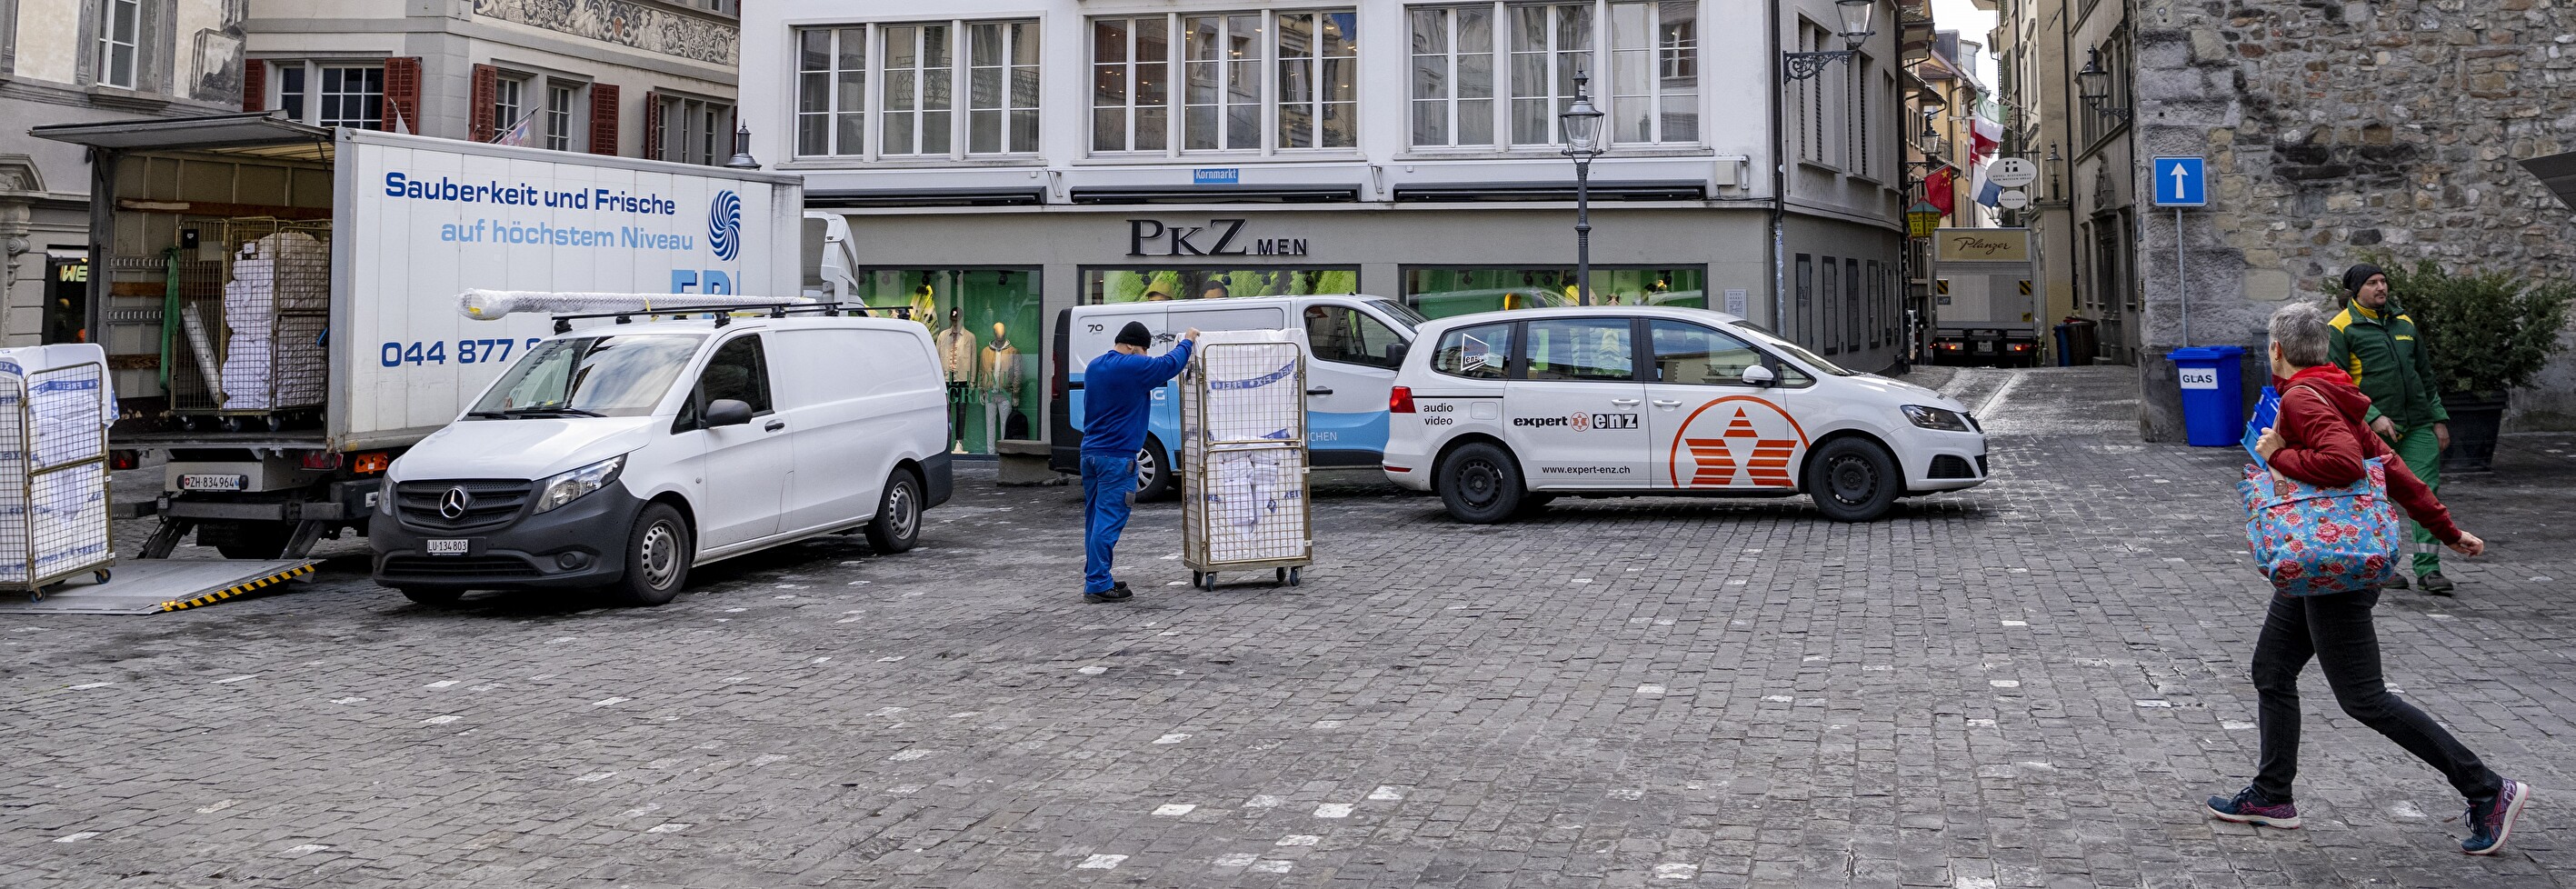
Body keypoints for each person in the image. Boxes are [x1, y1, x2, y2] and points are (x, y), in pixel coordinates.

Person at [2206, 302, 2529, 855]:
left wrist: (2280, 457)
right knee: (2273, 669)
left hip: (2333, 567)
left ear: (2276, 350)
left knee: (2364, 698)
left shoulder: (2304, 400)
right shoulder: (2331, 392)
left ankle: (2488, 791)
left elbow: (2348, 466)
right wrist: (2445, 530)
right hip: (2315, 564)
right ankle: (2271, 795)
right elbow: (2390, 467)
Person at [2326, 264, 2456, 594]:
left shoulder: (2405, 323)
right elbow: (2336, 383)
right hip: (2372, 431)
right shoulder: (2341, 328)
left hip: (2417, 425)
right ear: (2356, 291)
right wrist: (2372, 416)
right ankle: (2382, 567)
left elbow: (2424, 376)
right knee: (2376, 499)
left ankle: (2429, 569)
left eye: (2384, 281)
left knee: (2425, 492)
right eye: (2372, 283)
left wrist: (2438, 418)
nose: (2381, 288)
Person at [1077, 321, 1199, 603]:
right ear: (1132, 346)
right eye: (1144, 350)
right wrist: (1188, 340)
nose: (1146, 355)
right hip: (1117, 458)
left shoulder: (1095, 366)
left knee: (1095, 519)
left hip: (1091, 454)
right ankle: (1097, 584)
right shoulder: (1131, 366)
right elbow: (1169, 364)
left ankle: (1098, 575)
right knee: (1109, 519)